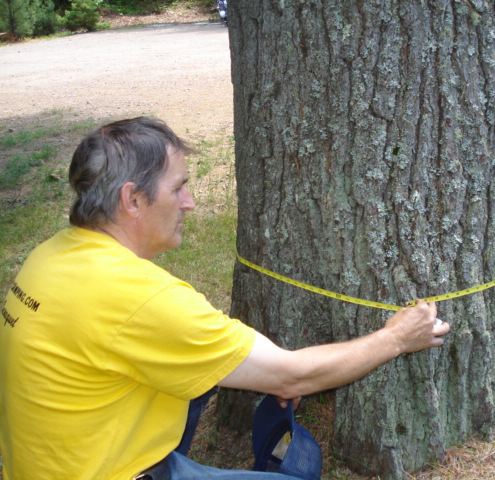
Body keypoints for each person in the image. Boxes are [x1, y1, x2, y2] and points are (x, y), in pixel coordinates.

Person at [0, 117, 450, 480]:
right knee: (303, 467)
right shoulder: (141, 299)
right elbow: (293, 377)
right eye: (178, 187)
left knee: (208, 382)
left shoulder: (52, 253)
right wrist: (396, 338)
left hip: (46, 465)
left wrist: (260, 373)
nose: (190, 202)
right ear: (132, 200)